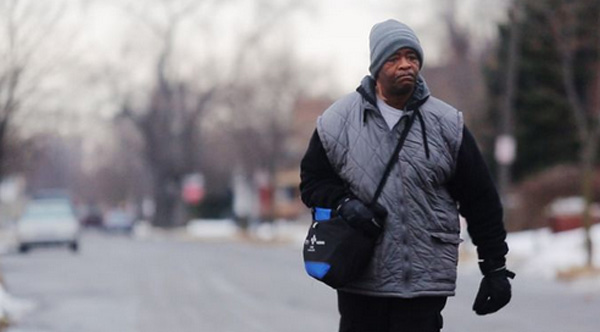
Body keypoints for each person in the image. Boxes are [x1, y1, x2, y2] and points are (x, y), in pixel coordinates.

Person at [299, 19, 514, 332]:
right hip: (360, 277)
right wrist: (344, 203)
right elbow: (313, 183)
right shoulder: (337, 121)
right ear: (376, 66)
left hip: (423, 282)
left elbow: (480, 200)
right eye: (394, 58)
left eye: (412, 58)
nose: (406, 65)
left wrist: (494, 267)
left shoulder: (446, 124)